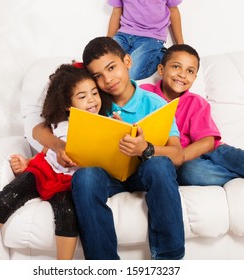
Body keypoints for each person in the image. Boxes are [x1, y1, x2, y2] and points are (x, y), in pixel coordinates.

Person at [33, 36, 185, 260]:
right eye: (98, 76)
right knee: (84, 177)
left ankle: (169, 261)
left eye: (112, 68)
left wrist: (145, 148)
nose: (108, 79)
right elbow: (39, 129)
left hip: (142, 174)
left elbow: (178, 155)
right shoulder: (92, 101)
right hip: (107, 176)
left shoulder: (154, 103)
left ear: (127, 61)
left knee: (160, 165)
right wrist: (59, 146)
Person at [0, 62, 112, 260]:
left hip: (68, 183)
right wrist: (29, 162)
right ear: (67, 104)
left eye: (94, 93)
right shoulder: (59, 123)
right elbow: (45, 145)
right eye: (82, 97)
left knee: (67, 214)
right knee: (10, 194)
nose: (91, 101)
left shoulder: (103, 124)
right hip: (44, 169)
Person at [140, 44, 244, 186]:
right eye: (176, 66)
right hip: (184, 165)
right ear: (161, 69)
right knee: (192, 173)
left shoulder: (196, 102)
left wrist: (180, 156)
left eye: (190, 71)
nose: (182, 74)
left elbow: (208, 142)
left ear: (194, 78)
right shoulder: (144, 94)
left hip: (212, 152)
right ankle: (241, 176)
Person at [107, 0, 184, 80]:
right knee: (107, 62)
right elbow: (116, 10)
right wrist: (107, 42)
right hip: (124, 33)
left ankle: (161, 55)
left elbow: (173, 10)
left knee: (131, 74)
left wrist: (180, 45)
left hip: (151, 36)